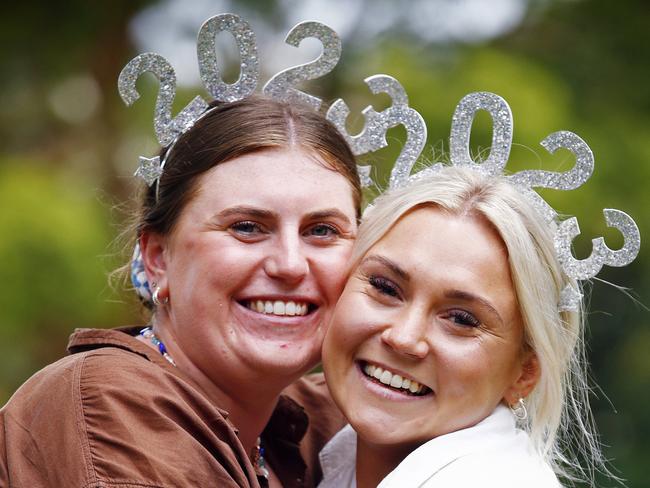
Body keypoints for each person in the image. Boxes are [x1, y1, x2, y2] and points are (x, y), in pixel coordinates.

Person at [0, 96, 361, 488]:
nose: (290, 264)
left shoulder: (324, 415)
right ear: (158, 258)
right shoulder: (112, 402)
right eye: (247, 226)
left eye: (322, 231)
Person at [319, 165, 614, 487]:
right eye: (385, 288)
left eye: (461, 319)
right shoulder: (314, 450)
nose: (404, 338)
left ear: (524, 374)